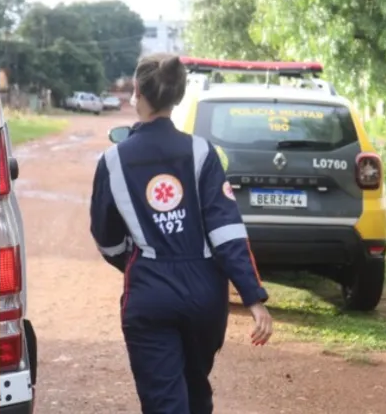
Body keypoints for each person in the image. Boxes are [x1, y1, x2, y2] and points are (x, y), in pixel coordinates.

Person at [90, 53, 273, 414]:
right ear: (177, 96)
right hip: (204, 296)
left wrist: (136, 262)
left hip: (150, 291)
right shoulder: (202, 152)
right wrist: (253, 298)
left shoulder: (113, 161)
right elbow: (227, 231)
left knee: (164, 401)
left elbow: (106, 237)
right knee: (195, 390)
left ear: (137, 91)